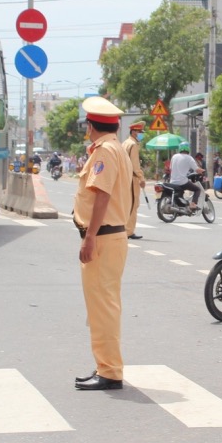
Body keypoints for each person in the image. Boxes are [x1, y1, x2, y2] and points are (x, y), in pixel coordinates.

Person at [72, 96, 133, 391]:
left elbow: (102, 196)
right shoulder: (115, 148)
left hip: (104, 237)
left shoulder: (106, 152)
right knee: (105, 306)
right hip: (111, 237)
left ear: (89, 126)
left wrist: (89, 236)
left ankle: (109, 371)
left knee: (103, 308)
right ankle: (106, 366)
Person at [123, 122, 146, 239]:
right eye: (140, 132)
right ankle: (129, 231)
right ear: (134, 132)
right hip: (132, 178)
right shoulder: (133, 145)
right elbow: (135, 165)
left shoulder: (125, 143)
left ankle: (124, 229)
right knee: (133, 204)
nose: (141, 135)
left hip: (125, 177)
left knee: (126, 204)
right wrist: (141, 178)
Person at [168, 143, 202, 209]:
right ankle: (193, 204)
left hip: (172, 182)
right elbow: (197, 169)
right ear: (188, 149)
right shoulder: (189, 158)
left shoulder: (174, 156)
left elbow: (170, 168)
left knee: (181, 191)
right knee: (197, 189)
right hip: (182, 182)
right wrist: (202, 170)